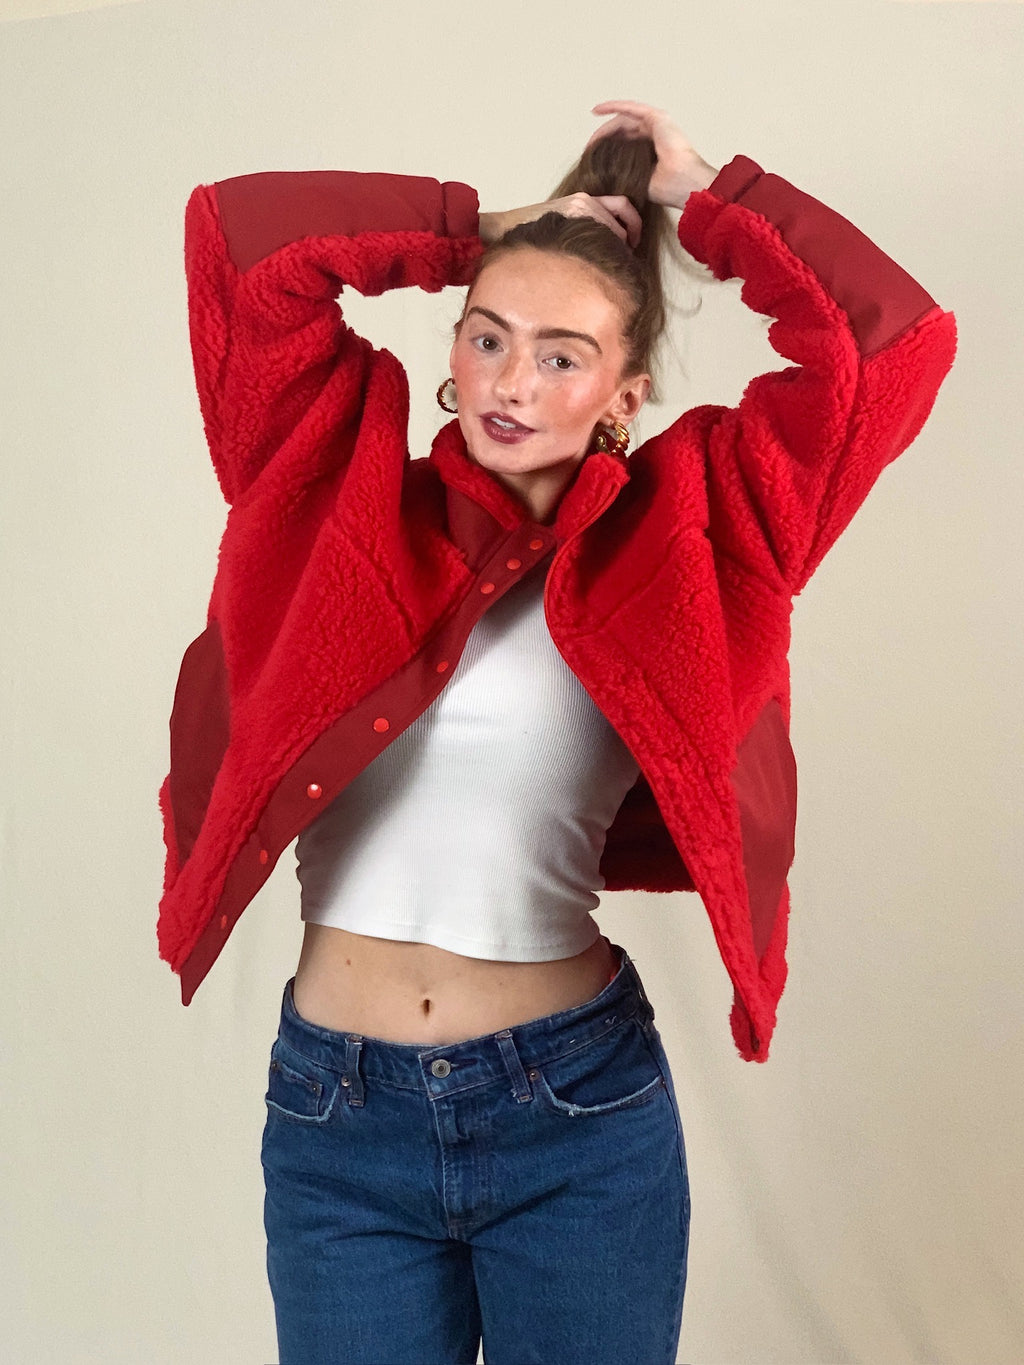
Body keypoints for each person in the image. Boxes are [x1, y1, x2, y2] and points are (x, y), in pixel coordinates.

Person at [157, 100, 957, 1364]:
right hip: (336, 1123)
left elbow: (887, 348)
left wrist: (706, 199)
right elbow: (239, 250)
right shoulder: (328, 490)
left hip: (572, 1117)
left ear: (627, 390)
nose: (513, 384)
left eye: (562, 355)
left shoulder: (699, 530)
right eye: (489, 337)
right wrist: (490, 229)